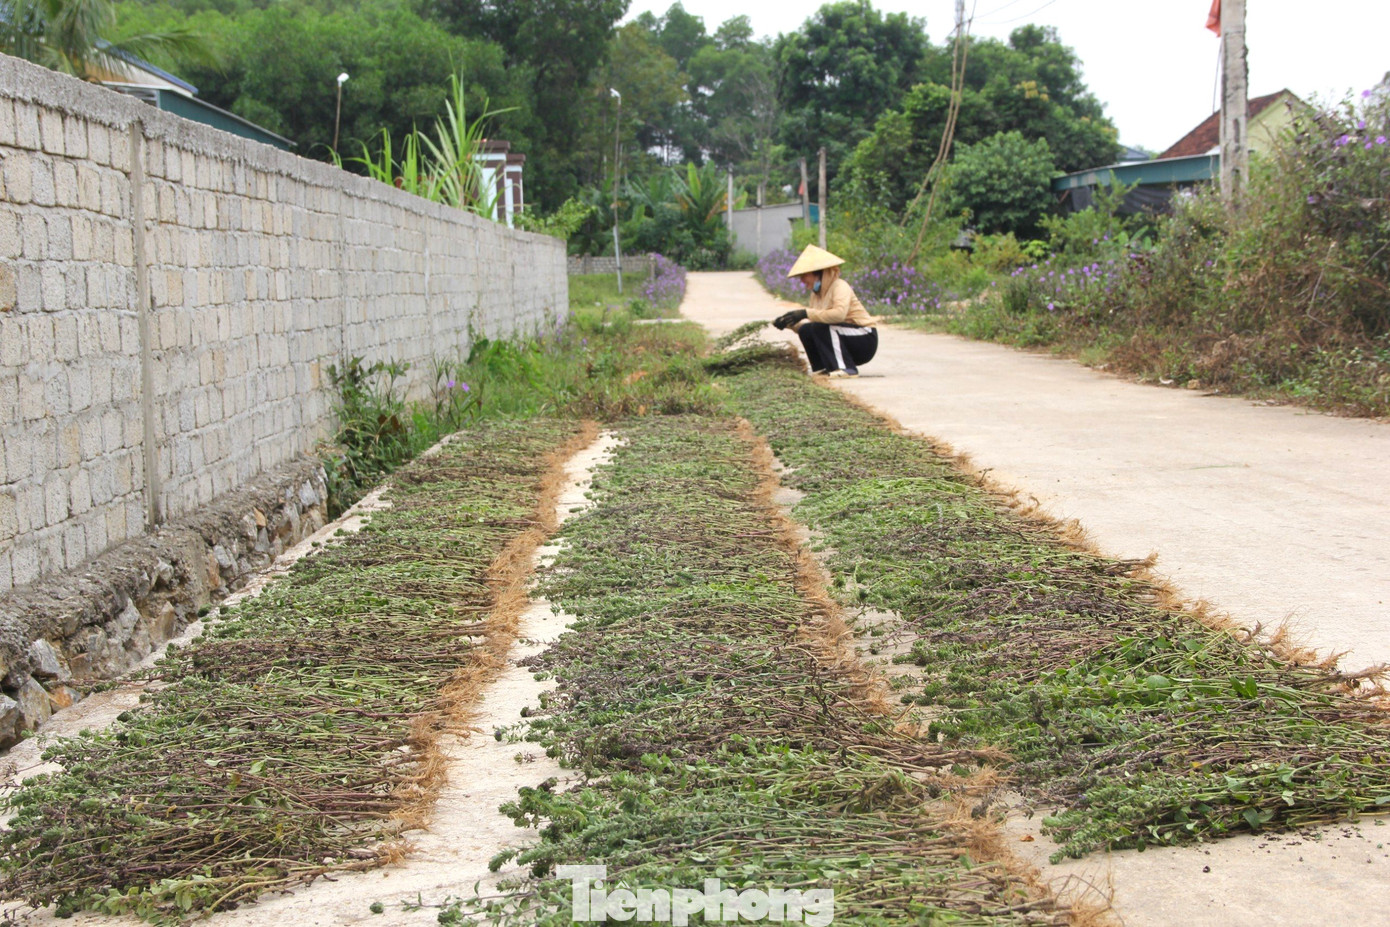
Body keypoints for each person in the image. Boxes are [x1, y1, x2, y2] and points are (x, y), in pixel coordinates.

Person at [772, 245, 878, 378]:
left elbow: (838, 315)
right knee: (807, 329)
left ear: (819, 272)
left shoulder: (840, 286)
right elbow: (814, 327)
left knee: (821, 327)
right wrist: (790, 324)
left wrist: (805, 313)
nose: (802, 280)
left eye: (804, 275)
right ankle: (822, 368)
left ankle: (846, 369)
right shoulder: (817, 294)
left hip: (864, 338)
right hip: (844, 337)